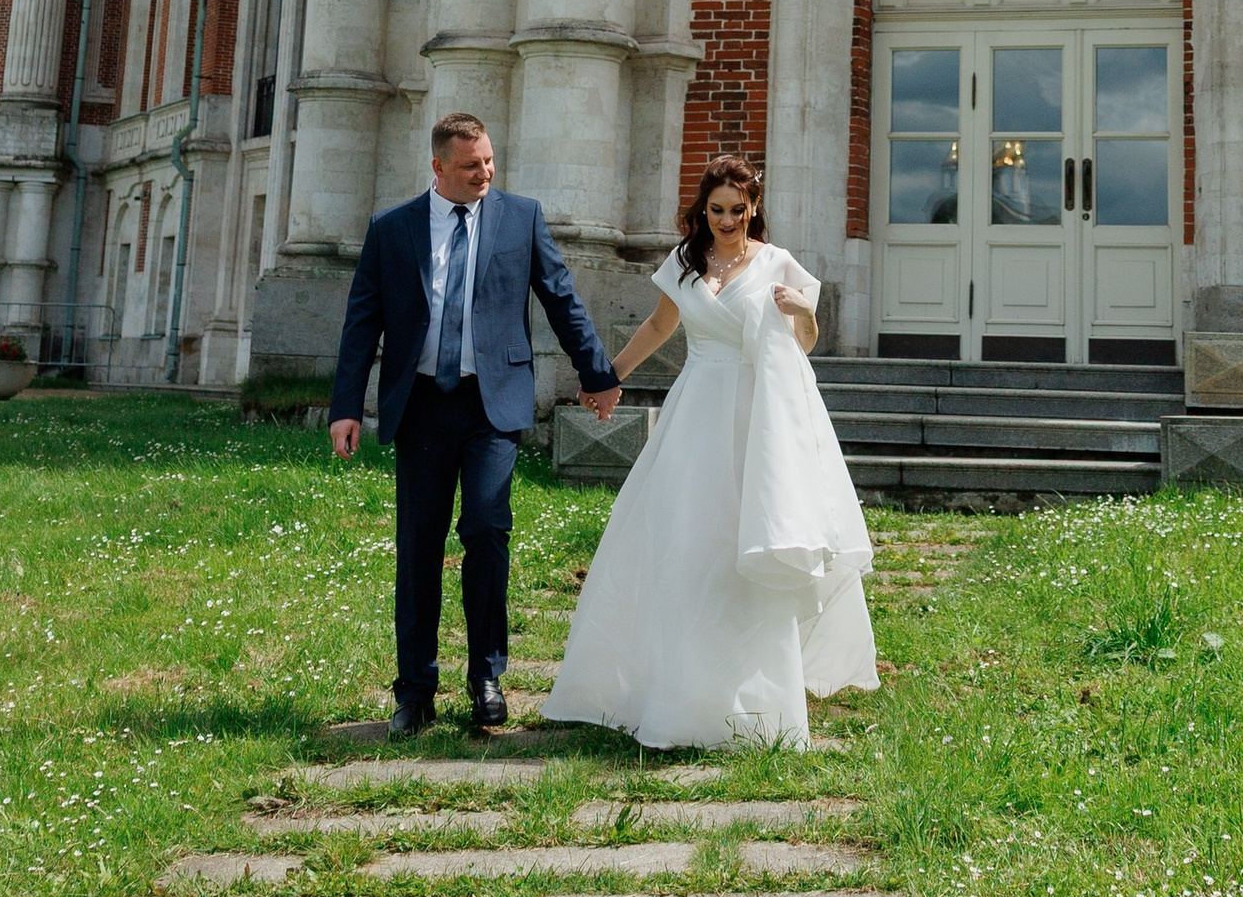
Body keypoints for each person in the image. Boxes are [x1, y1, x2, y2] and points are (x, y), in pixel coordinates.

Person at [543, 150, 878, 753]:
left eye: (738, 210)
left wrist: (806, 311)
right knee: (688, 545)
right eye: (716, 210)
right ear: (702, 210)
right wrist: (607, 377)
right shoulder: (683, 262)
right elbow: (658, 327)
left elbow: (803, 344)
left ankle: (757, 707)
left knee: (745, 547)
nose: (726, 220)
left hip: (758, 419)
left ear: (754, 208)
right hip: (696, 413)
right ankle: (676, 695)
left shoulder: (777, 264)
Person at [329, 109, 617, 733]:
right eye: (470, 165)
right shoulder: (393, 228)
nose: (484, 173)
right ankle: (415, 690)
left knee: (487, 530)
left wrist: (597, 375)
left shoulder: (521, 217)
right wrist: (347, 406)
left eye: (489, 160)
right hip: (423, 405)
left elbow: (560, 296)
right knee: (419, 546)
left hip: (493, 404)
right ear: (438, 168)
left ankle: (486, 676)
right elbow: (362, 321)